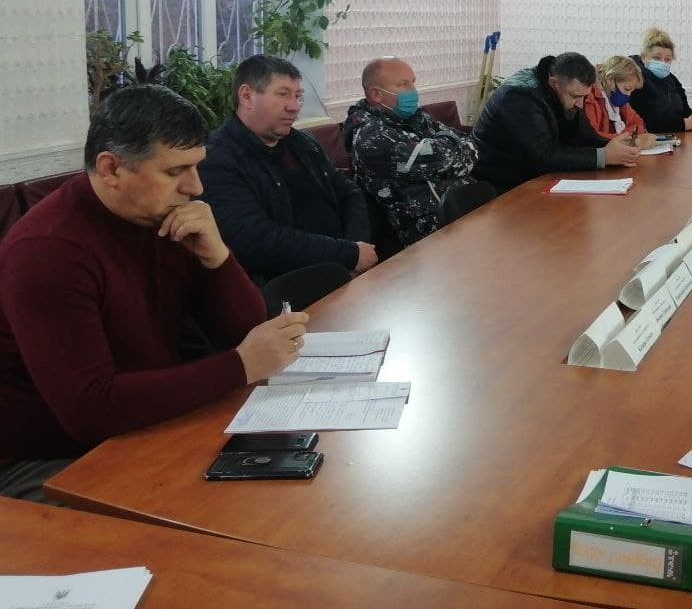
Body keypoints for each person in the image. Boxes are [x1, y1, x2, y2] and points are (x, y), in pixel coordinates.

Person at [0, 86, 307, 501]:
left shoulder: (161, 218)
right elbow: (91, 411)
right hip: (44, 457)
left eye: (197, 167)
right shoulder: (48, 250)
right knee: (215, 512)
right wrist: (238, 366)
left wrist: (218, 258)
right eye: (175, 171)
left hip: (142, 421)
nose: (195, 187)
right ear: (111, 168)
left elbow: (246, 331)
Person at [201, 55, 376, 285]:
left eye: (297, 96)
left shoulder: (303, 143)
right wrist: (348, 254)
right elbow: (255, 239)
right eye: (283, 94)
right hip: (288, 288)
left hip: (346, 271)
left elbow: (348, 192)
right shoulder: (217, 159)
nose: (294, 107)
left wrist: (356, 249)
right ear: (246, 96)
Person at [342, 57, 479, 249]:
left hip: (463, 211)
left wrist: (448, 154)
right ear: (376, 94)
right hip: (430, 234)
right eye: (403, 84)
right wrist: (452, 153)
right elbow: (445, 158)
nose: (413, 91)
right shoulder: (372, 137)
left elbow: (471, 146)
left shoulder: (414, 117)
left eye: (413, 82)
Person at [471, 52, 641, 193]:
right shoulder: (520, 97)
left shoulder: (565, 90)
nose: (580, 104)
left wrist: (617, 148)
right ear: (554, 83)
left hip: (534, 178)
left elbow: (583, 135)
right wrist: (603, 156)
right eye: (575, 97)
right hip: (500, 183)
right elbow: (543, 157)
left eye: (584, 97)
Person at [628, 27, 692, 133]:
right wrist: (685, 124)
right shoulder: (635, 80)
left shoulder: (672, 79)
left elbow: (684, 110)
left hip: (677, 137)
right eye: (657, 58)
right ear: (643, 57)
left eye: (667, 59)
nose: (662, 62)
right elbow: (645, 123)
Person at [583, 55, 657, 149]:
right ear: (610, 79)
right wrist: (630, 139)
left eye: (631, 91)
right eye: (627, 89)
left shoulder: (619, 101)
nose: (628, 95)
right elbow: (592, 136)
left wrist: (629, 136)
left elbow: (638, 124)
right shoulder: (589, 97)